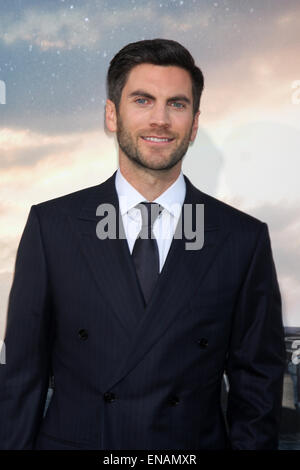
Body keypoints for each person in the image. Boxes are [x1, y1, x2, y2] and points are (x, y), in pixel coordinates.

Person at [0, 38, 286, 450]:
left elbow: (257, 384)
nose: (160, 119)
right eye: (142, 100)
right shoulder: (52, 226)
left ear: (195, 121)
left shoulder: (242, 238)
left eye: (177, 104)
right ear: (112, 115)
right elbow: (21, 376)